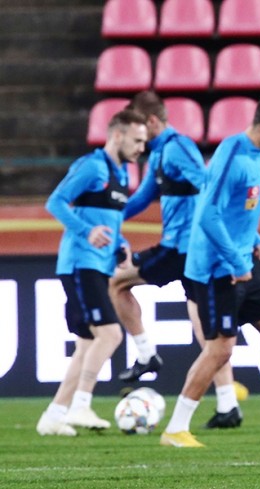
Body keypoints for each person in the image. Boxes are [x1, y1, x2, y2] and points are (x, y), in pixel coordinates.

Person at [159, 92, 260, 447]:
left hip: (238, 262)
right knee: (220, 349)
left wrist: (252, 235)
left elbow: (235, 207)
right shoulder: (233, 153)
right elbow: (208, 214)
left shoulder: (254, 154)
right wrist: (238, 261)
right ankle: (175, 429)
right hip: (217, 269)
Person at [109, 91, 243, 429]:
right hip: (189, 250)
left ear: (152, 121)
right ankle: (228, 405)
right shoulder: (159, 153)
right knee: (207, 333)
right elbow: (143, 197)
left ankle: (145, 354)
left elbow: (207, 185)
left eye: (140, 127)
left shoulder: (177, 147)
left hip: (181, 248)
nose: (137, 137)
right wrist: (109, 217)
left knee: (116, 282)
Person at [36, 109, 147, 436]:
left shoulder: (121, 173)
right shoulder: (92, 167)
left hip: (99, 264)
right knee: (110, 335)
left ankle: (54, 415)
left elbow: (111, 222)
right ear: (117, 135)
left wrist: (121, 245)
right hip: (80, 263)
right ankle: (81, 405)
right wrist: (87, 232)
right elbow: (56, 202)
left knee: (87, 343)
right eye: (137, 140)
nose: (141, 147)